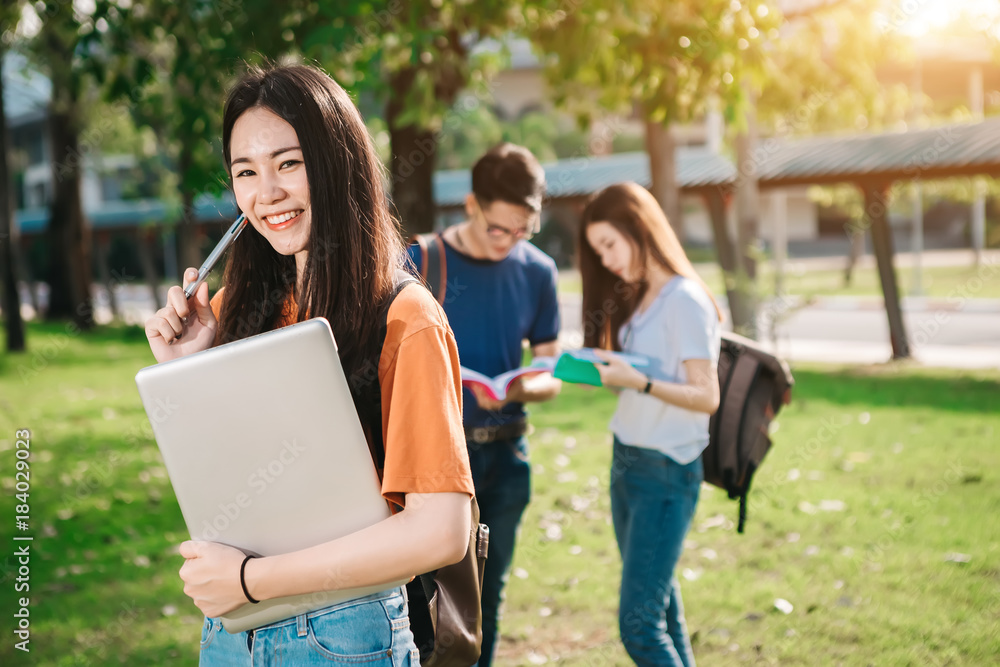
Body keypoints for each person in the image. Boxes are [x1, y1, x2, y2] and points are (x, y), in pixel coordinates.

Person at [143, 63, 475, 666]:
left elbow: (442, 531)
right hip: (232, 635)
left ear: (336, 165)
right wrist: (187, 370)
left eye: (288, 164)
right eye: (245, 172)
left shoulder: (404, 317)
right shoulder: (231, 311)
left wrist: (252, 581)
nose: (265, 192)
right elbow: (236, 490)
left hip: (346, 634)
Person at [406, 143, 562, 667]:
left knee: (482, 606)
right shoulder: (419, 260)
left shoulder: (538, 272)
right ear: (472, 204)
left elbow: (549, 372)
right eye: (500, 229)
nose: (511, 242)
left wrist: (516, 389)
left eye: (524, 230)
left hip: (506, 458)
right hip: (434, 464)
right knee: (422, 604)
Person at [577, 182, 722, 667]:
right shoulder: (641, 298)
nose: (607, 260)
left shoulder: (684, 299)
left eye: (610, 245)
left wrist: (638, 382)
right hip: (630, 462)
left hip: (666, 472)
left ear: (640, 229)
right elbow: (648, 375)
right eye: (598, 251)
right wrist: (608, 371)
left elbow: (706, 396)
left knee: (639, 627)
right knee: (661, 610)